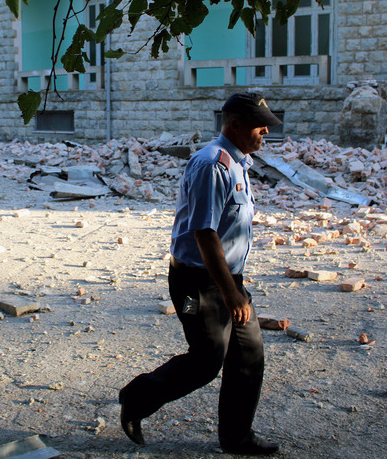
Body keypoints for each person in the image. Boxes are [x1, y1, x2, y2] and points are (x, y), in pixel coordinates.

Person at [119, 92, 282, 455]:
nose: (265, 133)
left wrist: (234, 287)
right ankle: (136, 398)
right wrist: (231, 293)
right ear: (234, 125)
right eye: (260, 126)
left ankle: (237, 437)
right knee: (207, 359)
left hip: (226, 278)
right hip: (198, 281)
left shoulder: (239, 162)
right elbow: (204, 233)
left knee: (248, 355)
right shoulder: (212, 165)